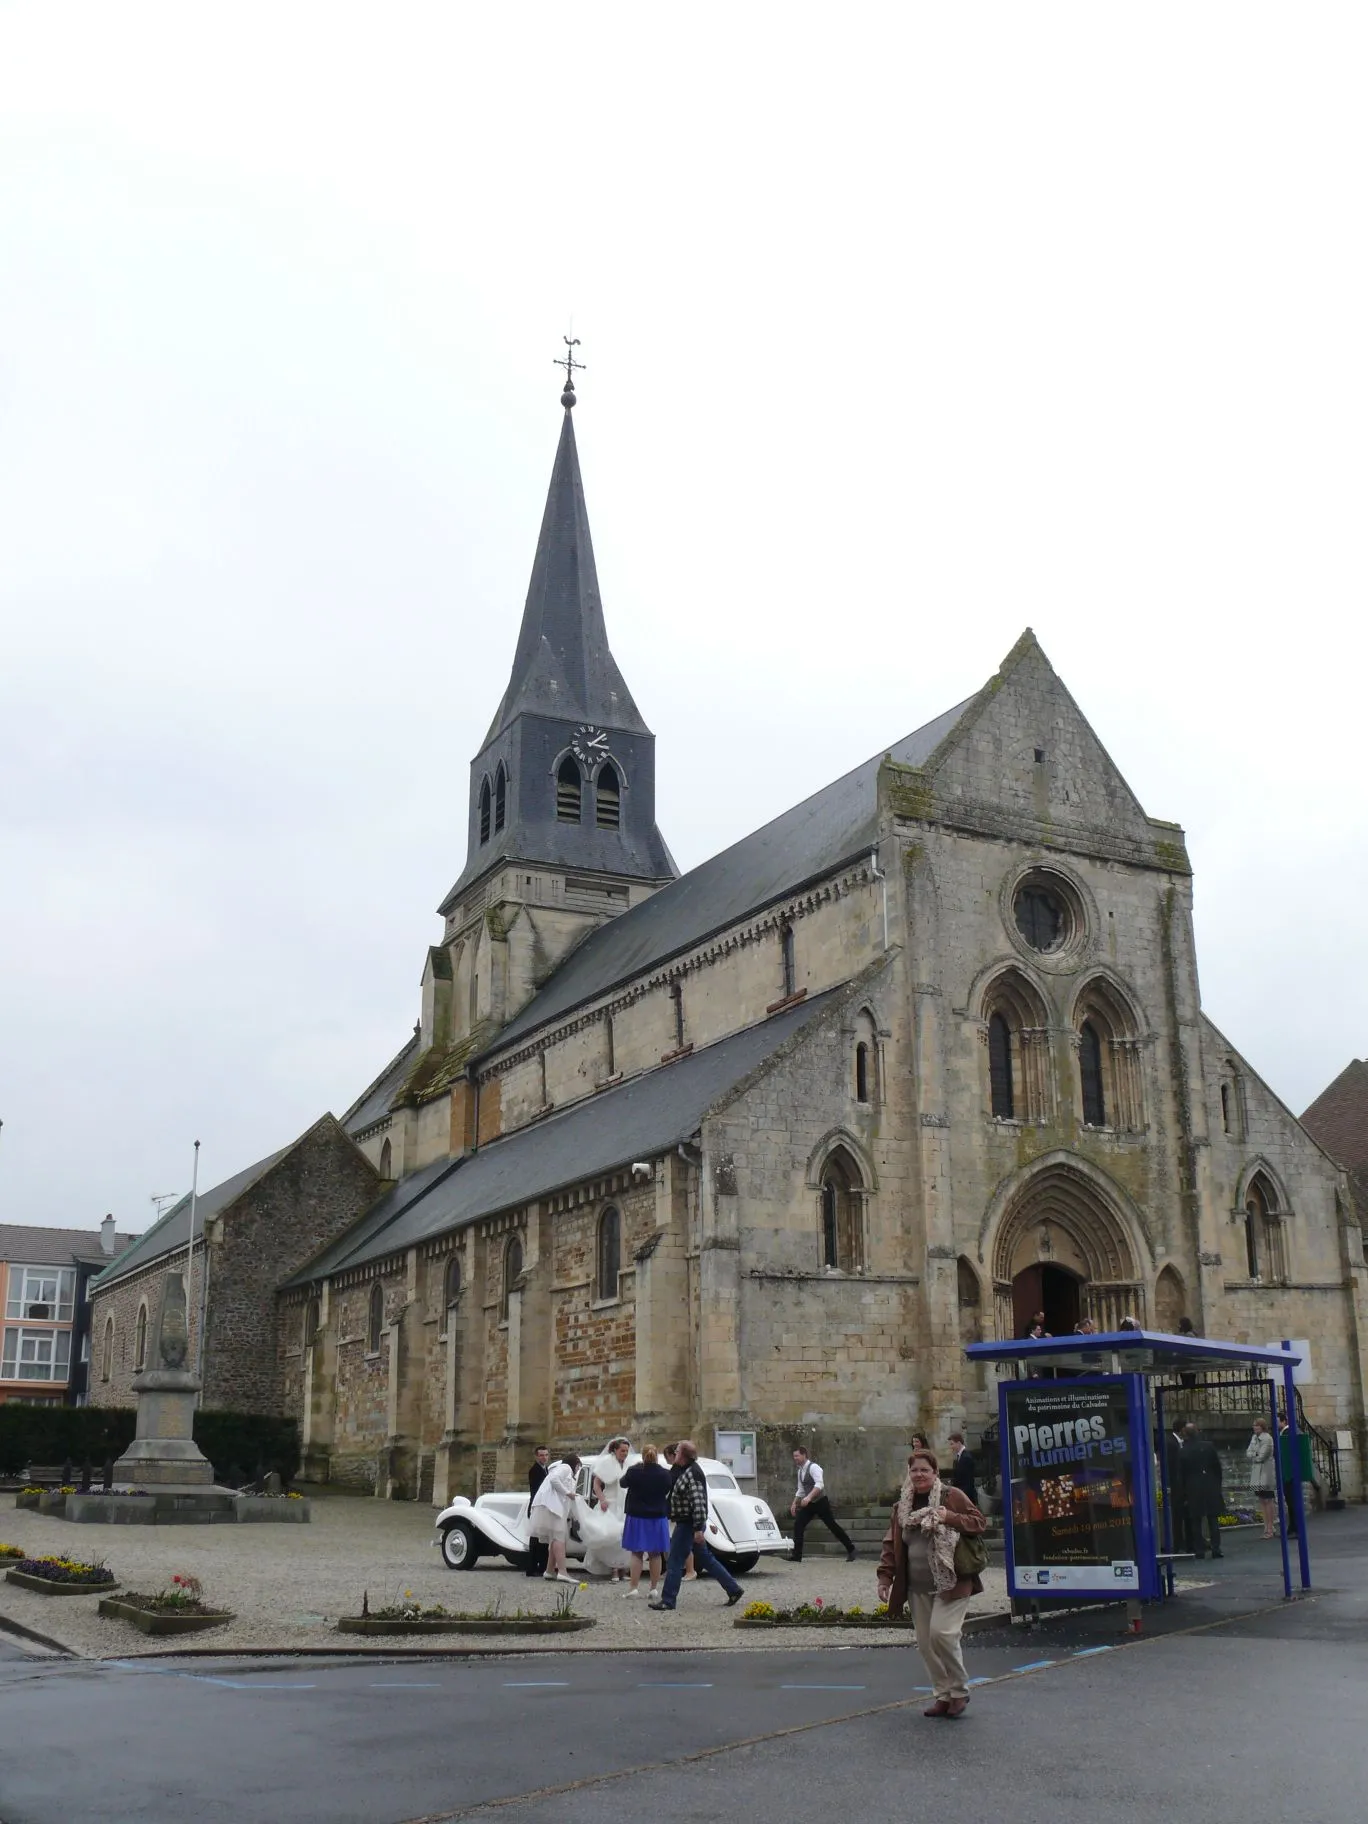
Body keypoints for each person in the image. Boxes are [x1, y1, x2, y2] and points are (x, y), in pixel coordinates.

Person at [877, 1449, 987, 1720]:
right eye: (914, 1470)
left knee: (943, 1634)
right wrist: (885, 1577)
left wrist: (948, 1517)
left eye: (925, 1470)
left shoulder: (952, 1496)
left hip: (952, 1581)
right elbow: (891, 1544)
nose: (919, 1475)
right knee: (926, 1643)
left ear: (935, 1472)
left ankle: (960, 1691)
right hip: (917, 1587)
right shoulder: (902, 1507)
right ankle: (943, 1695)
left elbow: (979, 1523)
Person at [649, 1440, 745, 1611]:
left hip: (688, 1524)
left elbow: (698, 1503)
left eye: (677, 1451)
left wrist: (698, 1528)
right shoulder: (686, 1470)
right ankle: (733, 1589)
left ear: (683, 1455)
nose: (675, 1453)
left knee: (674, 1561)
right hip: (689, 1523)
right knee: (706, 1559)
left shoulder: (692, 1473)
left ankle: (668, 1600)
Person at [786, 1446, 856, 1563]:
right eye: (794, 1456)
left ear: (804, 1455)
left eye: (797, 1456)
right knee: (798, 1524)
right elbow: (801, 1490)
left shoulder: (814, 1467)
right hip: (809, 1504)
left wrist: (808, 1498)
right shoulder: (800, 1471)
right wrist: (794, 1503)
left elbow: (819, 1485)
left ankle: (851, 1549)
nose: (795, 1458)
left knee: (832, 1526)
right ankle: (797, 1556)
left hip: (820, 1502)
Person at [620, 1443, 672, 1597]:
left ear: (643, 1456)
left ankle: (634, 1588)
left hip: (636, 1515)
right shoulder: (664, 1474)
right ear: (657, 1456)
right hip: (657, 1516)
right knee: (655, 1554)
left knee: (637, 1553)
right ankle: (654, 1588)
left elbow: (622, 1483)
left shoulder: (634, 1471)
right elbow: (667, 1489)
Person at [581, 1436, 632, 1580]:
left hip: (624, 1503)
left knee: (624, 1536)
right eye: (622, 1451)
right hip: (610, 1502)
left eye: (626, 1451)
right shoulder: (606, 1463)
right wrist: (602, 1500)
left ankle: (623, 1567)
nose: (625, 1453)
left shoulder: (628, 1464)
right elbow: (596, 1485)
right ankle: (613, 1568)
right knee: (611, 1536)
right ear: (615, 1450)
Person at [528, 1452, 582, 1583]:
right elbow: (554, 1480)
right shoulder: (565, 1468)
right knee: (559, 1537)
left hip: (550, 1505)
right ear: (574, 1463)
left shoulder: (564, 1470)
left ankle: (549, 1570)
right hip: (551, 1505)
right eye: (578, 1466)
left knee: (554, 1537)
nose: (577, 1470)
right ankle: (562, 1572)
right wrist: (568, 1492)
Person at [1180, 1423, 1224, 1559]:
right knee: (1213, 1520)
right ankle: (1216, 1549)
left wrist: (1184, 1493)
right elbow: (1217, 1468)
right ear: (1197, 1431)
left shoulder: (1183, 1451)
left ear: (1185, 1434)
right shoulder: (1209, 1446)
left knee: (1196, 1521)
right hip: (1210, 1486)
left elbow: (1181, 1474)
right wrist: (1217, 1485)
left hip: (1193, 1488)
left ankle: (1199, 1550)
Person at [1246, 1419, 1277, 1539]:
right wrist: (1255, 1454)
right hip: (1256, 1473)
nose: (1255, 1428)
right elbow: (1248, 1453)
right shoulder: (1254, 1438)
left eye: (1257, 1426)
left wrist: (1254, 1454)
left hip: (1265, 1472)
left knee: (1268, 1500)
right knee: (1261, 1499)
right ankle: (1266, 1526)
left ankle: (1270, 1527)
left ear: (1262, 1427)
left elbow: (1262, 1456)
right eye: (1254, 1426)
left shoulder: (1267, 1439)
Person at [525, 1445, 551, 1578]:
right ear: (536, 1456)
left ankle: (542, 1566)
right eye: (541, 1455)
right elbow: (537, 1491)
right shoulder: (534, 1470)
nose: (544, 1457)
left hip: (543, 1506)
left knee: (542, 1539)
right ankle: (531, 1568)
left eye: (546, 1455)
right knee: (535, 1540)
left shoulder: (546, 1469)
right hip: (537, 1506)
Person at [946, 1431, 978, 1506]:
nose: (951, 1447)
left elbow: (967, 1481)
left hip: (965, 1495)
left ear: (959, 1443)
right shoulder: (961, 1456)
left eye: (952, 1444)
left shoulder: (966, 1457)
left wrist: (961, 1496)